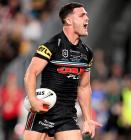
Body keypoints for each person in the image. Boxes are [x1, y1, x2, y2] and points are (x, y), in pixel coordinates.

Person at [23, 2, 102, 140]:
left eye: (87, 15)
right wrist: (32, 99)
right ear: (69, 20)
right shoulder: (51, 46)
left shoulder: (87, 53)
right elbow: (31, 73)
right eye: (82, 15)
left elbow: (84, 87)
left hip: (67, 115)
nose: (87, 18)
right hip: (43, 110)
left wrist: (88, 119)